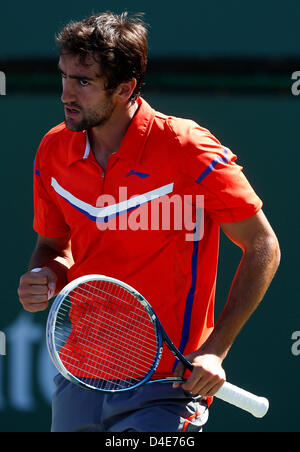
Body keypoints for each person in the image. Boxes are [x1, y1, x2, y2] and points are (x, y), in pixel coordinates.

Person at [17, 12, 280, 432]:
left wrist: (216, 350)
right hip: (80, 377)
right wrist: (42, 274)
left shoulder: (187, 147)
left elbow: (263, 245)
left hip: (169, 387)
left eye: (83, 82)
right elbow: (52, 247)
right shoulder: (52, 150)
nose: (66, 93)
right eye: (64, 76)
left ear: (125, 87)